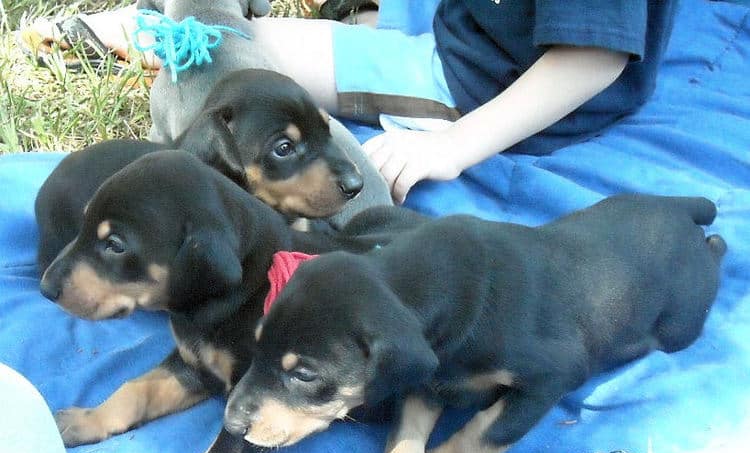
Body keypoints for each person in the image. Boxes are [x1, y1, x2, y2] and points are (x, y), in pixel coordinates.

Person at [21, 0, 678, 204]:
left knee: (231, 44)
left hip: (485, 76)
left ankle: (157, 30)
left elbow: (592, 59)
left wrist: (453, 145)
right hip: (468, 16)